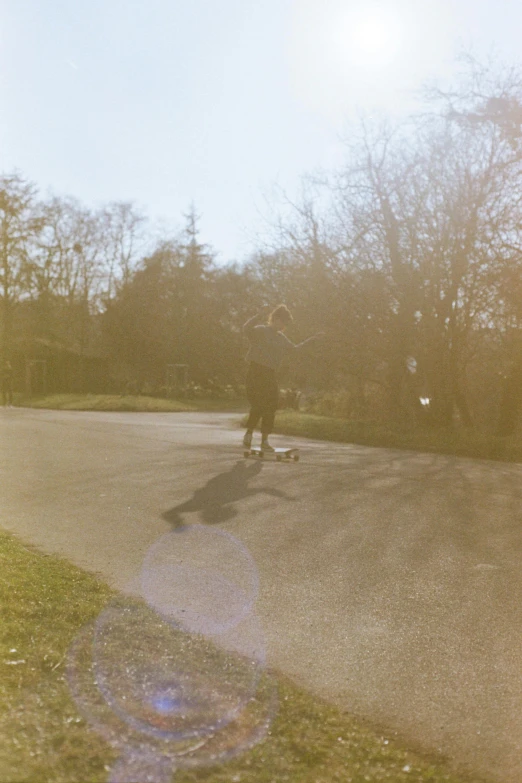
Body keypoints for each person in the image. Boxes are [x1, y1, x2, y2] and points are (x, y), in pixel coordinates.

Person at [242, 305, 323, 451]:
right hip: (255, 371)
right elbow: (246, 329)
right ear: (276, 319)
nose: (284, 326)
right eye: (283, 322)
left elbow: (295, 350)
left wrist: (312, 340)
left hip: (270, 373)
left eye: (286, 324)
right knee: (259, 404)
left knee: (271, 405)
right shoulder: (261, 330)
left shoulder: (281, 338)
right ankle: (249, 433)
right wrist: (257, 316)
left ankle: (264, 441)